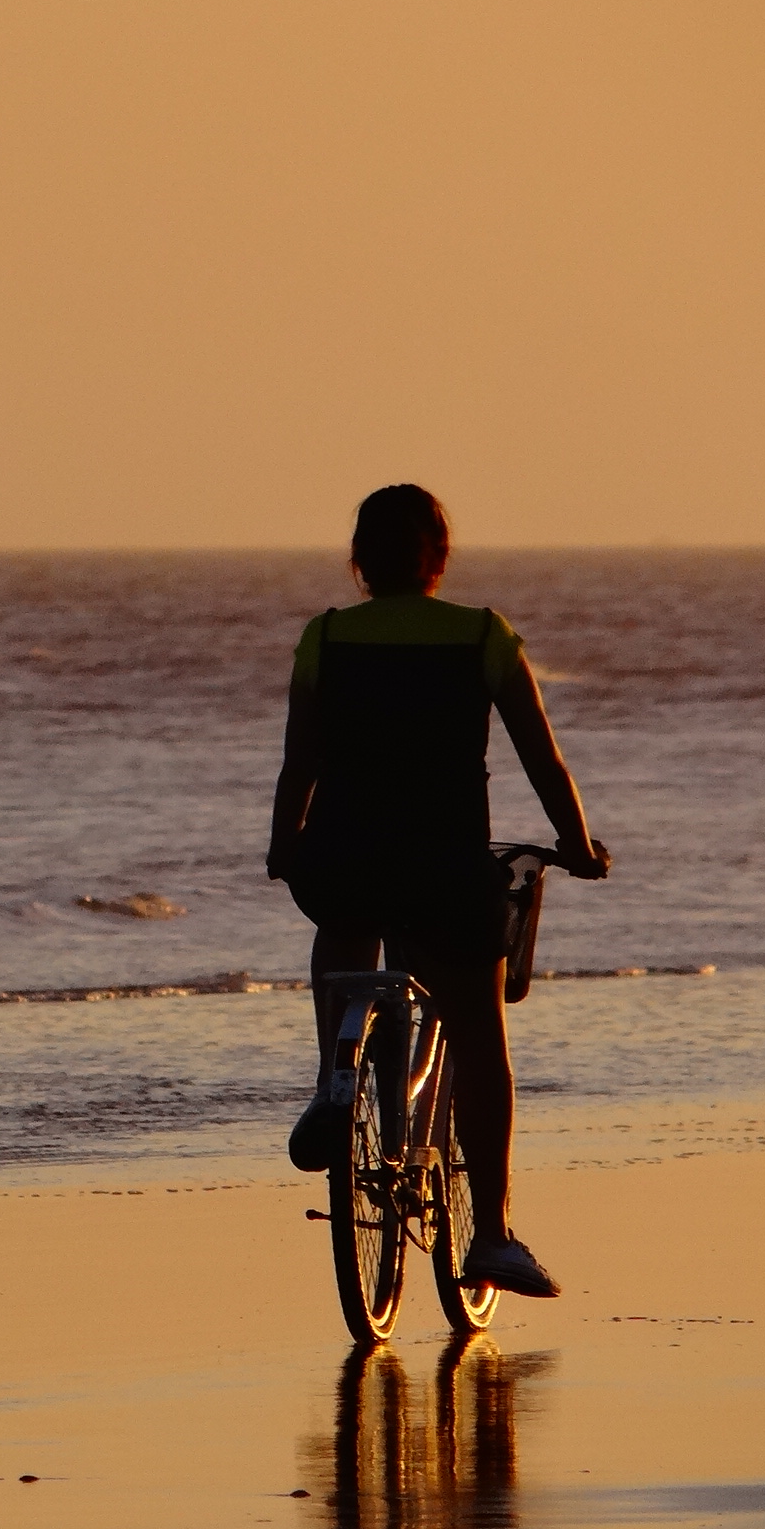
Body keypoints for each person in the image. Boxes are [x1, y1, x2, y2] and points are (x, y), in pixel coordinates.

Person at [266, 485, 609, 1298]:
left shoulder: (326, 637)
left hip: (346, 859)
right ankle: (489, 1235)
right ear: (439, 559)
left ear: (359, 564)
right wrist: (577, 843)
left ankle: (331, 1084)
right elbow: (543, 760)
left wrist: (285, 847)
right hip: (445, 869)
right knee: (481, 1035)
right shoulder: (482, 636)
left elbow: (300, 766)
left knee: (343, 925)